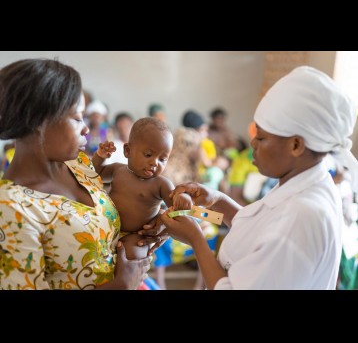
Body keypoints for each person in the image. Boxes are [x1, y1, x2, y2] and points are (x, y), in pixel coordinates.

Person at [161, 66, 358, 290]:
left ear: (296, 145)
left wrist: (196, 239)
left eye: (262, 138)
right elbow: (256, 230)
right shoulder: (303, 182)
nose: (252, 144)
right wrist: (218, 203)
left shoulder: (302, 217)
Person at [0, 58, 165, 290]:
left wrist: (150, 224)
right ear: (39, 121)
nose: (86, 128)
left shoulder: (78, 165)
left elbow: (108, 222)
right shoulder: (11, 207)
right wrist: (121, 285)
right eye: (77, 118)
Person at [91, 117, 192, 261]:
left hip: (136, 235)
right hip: (106, 228)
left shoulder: (161, 184)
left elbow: (176, 207)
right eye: (148, 155)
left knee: (133, 254)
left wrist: (184, 197)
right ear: (128, 151)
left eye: (162, 159)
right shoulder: (118, 170)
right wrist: (99, 156)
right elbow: (97, 174)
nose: (154, 163)